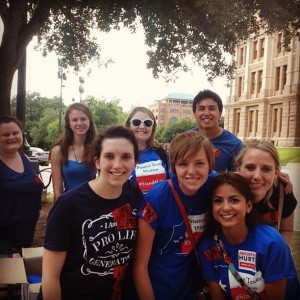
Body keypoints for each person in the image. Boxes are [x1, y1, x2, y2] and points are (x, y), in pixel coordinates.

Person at [40, 126, 144, 300]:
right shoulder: (68, 205)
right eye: (109, 156)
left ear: (135, 162)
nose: (117, 165)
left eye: (126, 157)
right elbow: (50, 276)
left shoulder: (133, 193)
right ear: (97, 162)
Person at [133, 131, 216, 300]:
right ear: (173, 166)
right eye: (183, 163)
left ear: (210, 165)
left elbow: (245, 186)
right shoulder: (158, 198)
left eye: (199, 163)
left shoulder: (215, 185)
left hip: (190, 288)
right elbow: (139, 266)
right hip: (157, 289)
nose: (191, 171)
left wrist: (277, 179)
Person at [199, 172, 299, 300]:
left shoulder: (272, 242)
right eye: (218, 201)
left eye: (234, 200)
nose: (226, 207)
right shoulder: (207, 244)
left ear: (248, 206)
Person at [235, 139, 297, 244]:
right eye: (250, 168)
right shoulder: (226, 191)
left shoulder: (284, 192)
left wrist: (278, 254)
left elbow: (286, 230)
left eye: (266, 169)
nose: (257, 176)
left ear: (276, 173)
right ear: (239, 168)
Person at [0, 115, 43, 251]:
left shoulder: (24, 157)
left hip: (26, 237)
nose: (11, 137)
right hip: (4, 243)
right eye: (5, 134)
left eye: (15, 133)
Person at [50, 103, 97, 201]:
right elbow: (58, 190)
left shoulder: (98, 148)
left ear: (90, 122)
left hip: (93, 204)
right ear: (69, 124)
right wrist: (60, 211)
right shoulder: (58, 151)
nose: (79, 123)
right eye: (74, 120)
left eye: (83, 119)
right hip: (69, 205)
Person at [191, 89, 243, 172]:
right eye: (201, 109)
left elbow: (235, 180)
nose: (206, 113)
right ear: (194, 114)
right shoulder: (186, 140)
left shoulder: (235, 145)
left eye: (211, 108)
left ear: (220, 113)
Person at [125, 106, 169, 194]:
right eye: (136, 122)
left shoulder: (163, 152)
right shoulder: (119, 154)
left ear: (153, 127)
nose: (142, 126)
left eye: (148, 123)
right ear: (128, 126)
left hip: (161, 207)